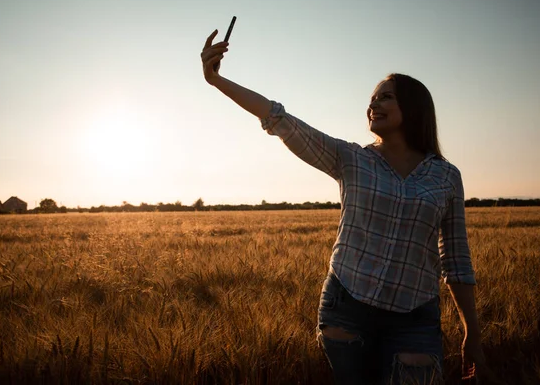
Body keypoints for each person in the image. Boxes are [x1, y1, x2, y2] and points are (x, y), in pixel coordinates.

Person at [200, 29, 496, 384]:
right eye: (372, 99)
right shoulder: (351, 159)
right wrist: (217, 80)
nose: (373, 104)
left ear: (414, 107)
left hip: (415, 316)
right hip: (347, 308)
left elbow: (457, 261)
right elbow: (279, 119)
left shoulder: (446, 177)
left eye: (386, 97)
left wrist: (471, 333)